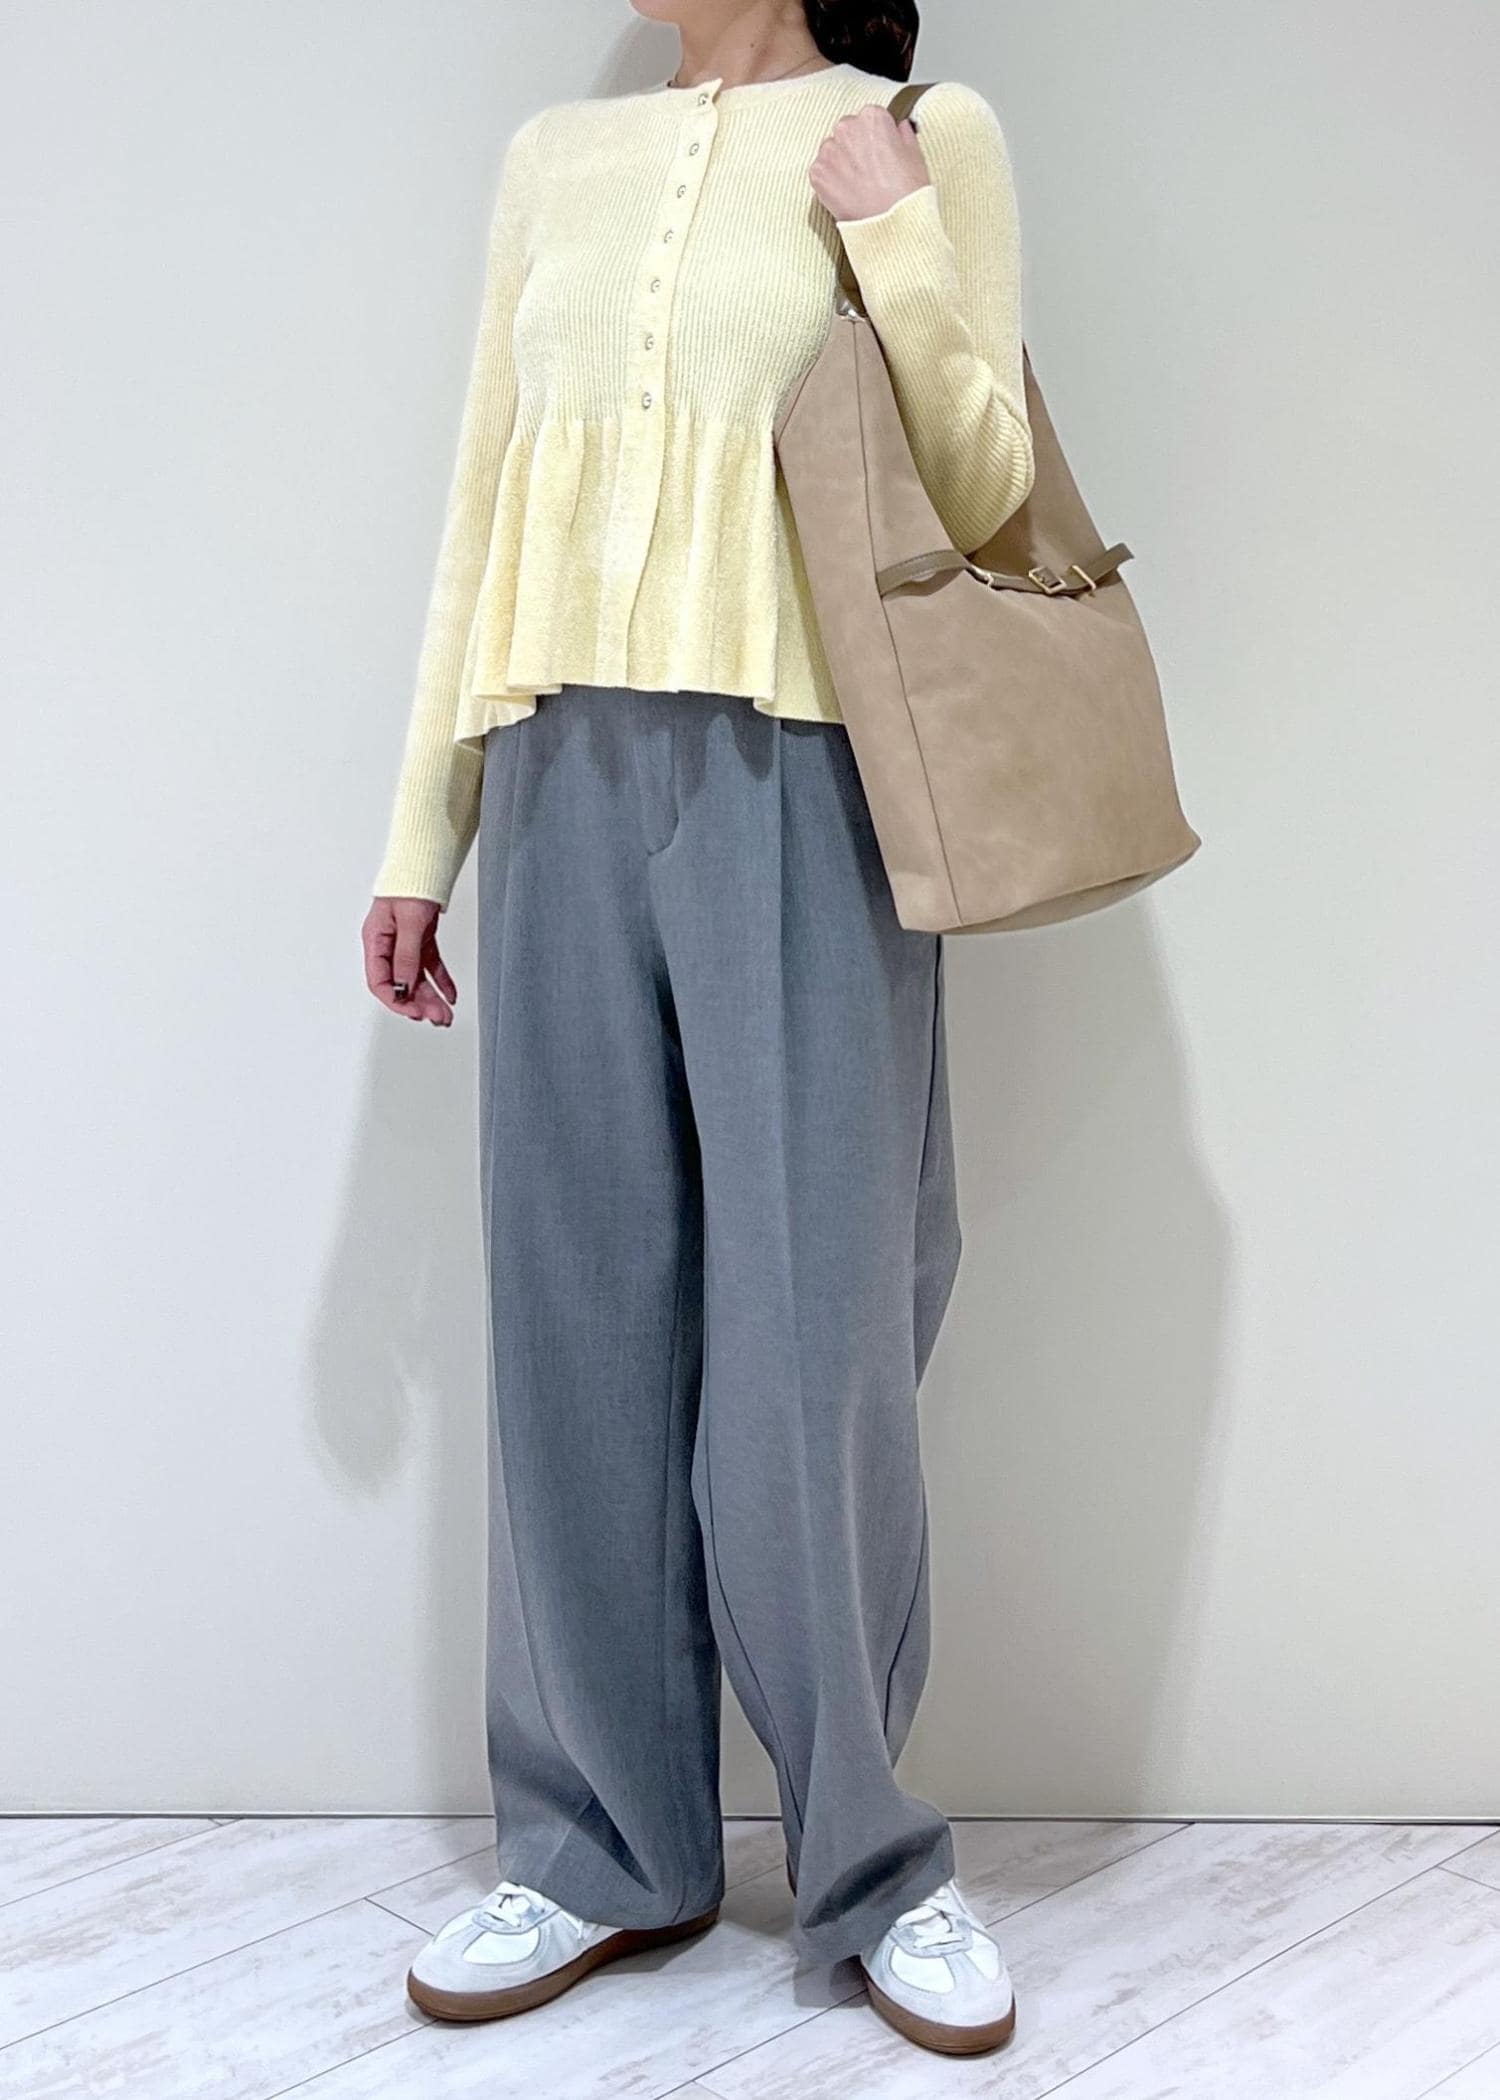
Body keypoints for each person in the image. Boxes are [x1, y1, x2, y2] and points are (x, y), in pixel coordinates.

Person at [360, 0, 1034, 2058]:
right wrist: (424, 835)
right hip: (561, 764)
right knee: (573, 1313)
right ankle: (597, 1849)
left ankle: (874, 1864)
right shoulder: (553, 164)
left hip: (803, 773)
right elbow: (483, 505)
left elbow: (992, 490)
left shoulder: (921, 128)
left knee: (819, 1331)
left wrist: (895, 237)